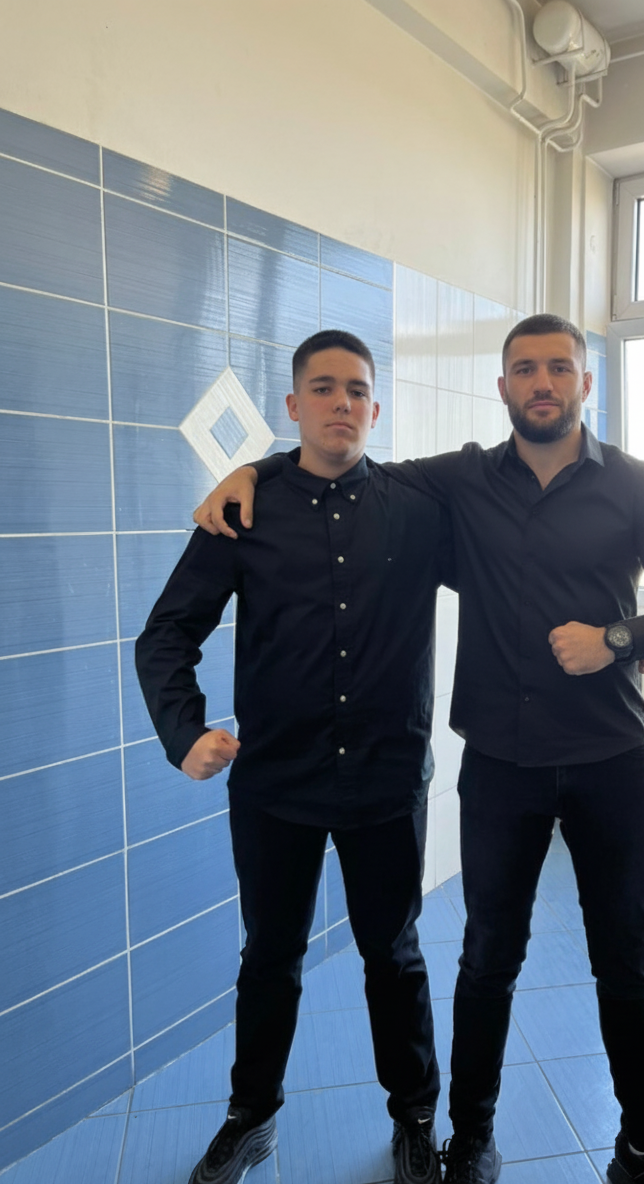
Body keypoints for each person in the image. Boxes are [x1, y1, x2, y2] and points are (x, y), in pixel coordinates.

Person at [192, 314, 644, 1184]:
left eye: (560, 368)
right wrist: (249, 469)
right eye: (525, 369)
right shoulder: (459, 481)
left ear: (585, 385)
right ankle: (470, 1138)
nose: (543, 383)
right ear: (504, 387)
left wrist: (618, 638)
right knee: (487, 959)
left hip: (609, 761)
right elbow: (338, 466)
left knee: (625, 964)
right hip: (501, 765)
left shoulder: (637, 486)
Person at [136, 329, 454, 1184]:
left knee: (394, 956)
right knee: (268, 957)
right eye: (323, 388)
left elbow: (514, 563)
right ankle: (252, 1117)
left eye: (356, 390)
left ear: (375, 409)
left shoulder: (418, 511)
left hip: (388, 781)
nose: (341, 403)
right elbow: (165, 634)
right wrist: (184, 731)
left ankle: (416, 1118)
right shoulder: (244, 509)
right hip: (277, 784)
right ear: (293, 407)